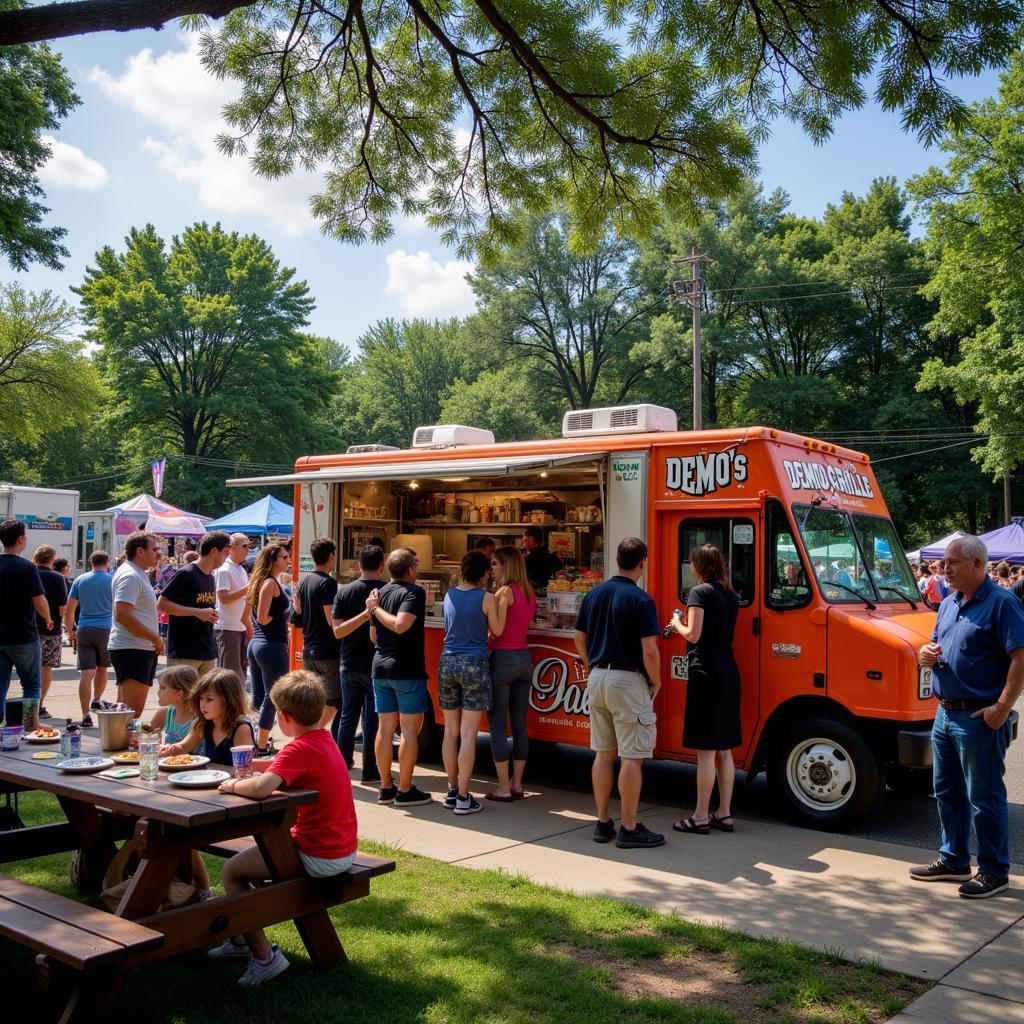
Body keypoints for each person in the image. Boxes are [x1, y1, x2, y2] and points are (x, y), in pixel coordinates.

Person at [212, 670, 358, 987]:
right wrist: (249, 766)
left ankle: (265, 958)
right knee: (256, 856)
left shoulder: (299, 749)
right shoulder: (322, 739)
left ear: (283, 716)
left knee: (232, 872)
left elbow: (263, 788)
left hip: (319, 856)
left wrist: (232, 784)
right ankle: (239, 942)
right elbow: (280, 765)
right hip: (342, 849)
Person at [911, 535, 1024, 899]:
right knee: (946, 791)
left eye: (953, 563)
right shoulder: (949, 602)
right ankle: (954, 858)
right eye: (944, 563)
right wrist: (926, 653)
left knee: (984, 797)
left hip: (978, 718)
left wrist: (1001, 709)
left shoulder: (1002, 603)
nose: (945, 569)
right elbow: (935, 644)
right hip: (945, 714)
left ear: (977, 564)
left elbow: (1020, 659)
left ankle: (994, 871)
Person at [574, 537, 664, 849]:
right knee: (632, 757)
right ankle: (629, 827)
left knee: (602, 753)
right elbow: (650, 651)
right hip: (628, 681)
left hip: (597, 677)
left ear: (617, 560)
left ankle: (602, 822)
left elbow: (578, 637)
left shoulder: (594, 594)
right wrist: (657, 681)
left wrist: (590, 667)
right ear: (643, 562)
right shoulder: (641, 600)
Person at [668, 544, 742, 834]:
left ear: (698, 566)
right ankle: (724, 813)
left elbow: (694, 635)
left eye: (691, 562)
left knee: (705, 753)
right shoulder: (730, 594)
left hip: (706, 673)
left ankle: (699, 815)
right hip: (729, 670)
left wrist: (677, 624)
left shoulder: (698, 593)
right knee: (725, 749)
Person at [365, 547, 433, 807]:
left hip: (380, 667)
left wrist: (375, 608)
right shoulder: (414, 592)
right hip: (407, 669)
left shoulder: (379, 593)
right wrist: (375, 610)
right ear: (411, 570)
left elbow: (374, 637)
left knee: (385, 728)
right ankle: (404, 790)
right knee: (408, 730)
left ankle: (385, 787)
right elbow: (401, 625)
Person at [439, 550, 503, 815]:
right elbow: (497, 630)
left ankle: (452, 789)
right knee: (468, 735)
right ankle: (465, 797)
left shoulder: (449, 594)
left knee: (450, 732)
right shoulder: (486, 597)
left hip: (448, 662)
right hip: (475, 662)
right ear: (485, 573)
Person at [486, 546, 536, 801]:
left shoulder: (504, 592)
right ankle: (517, 783)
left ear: (506, 565)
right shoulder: (529, 592)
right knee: (519, 726)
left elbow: (498, 628)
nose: (492, 568)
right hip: (524, 659)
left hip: (503, 659)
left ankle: (503, 787)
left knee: (497, 724)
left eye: (495, 563)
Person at [332, 544, 384, 784]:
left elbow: (338, 632)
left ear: (358, 565)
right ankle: (370, 770)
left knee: (348, 717)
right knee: (373, 719)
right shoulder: (388, 591)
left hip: (349, 662)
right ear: (382, 566)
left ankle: (342, 766)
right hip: (376, 664)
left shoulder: (344, 592)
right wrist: (366, 615)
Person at [157, 531, 230, 675]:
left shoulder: (210, 577)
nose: (227, 557)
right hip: (185, 652)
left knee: (204, 697)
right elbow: (162, 604)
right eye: (226, 552)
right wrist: (197, 612)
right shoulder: (186, 573)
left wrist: (212, 614)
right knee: (181, 697)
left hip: (207, 650)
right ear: (214, 551)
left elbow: (202, 608)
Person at [0, 519, 50, 724]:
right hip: (24, 636)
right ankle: (30, 724)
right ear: (21, 539)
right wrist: (48, 619)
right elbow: (39, 600)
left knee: (0, 685)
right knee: (30, 684)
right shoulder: (27, 567)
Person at [108, 531, 163, 717]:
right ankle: (121, 744)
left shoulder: (136, 573)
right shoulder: (130, 575)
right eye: (154, 549)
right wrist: (154, 637)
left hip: (137, 648)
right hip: (132, 648)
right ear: (140, 551)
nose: (158, 554)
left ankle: (118, 743)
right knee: (132, 710)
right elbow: (122, 615)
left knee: (126, 709)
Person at [246, 544, 291, 755]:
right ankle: (261, 746)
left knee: (260, 698)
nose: (288, 560)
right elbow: (263, 617)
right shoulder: (269, 584)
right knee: (271, 697)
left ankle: (257, 739)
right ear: (273, 560)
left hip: (260, 645)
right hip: (269, 645)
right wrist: (280, 619)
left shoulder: (267, 582)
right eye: (285, 557)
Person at [294, 537, 342, 733]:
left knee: (314, 699)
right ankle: (313, 732)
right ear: (331, 557)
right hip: (327, 651)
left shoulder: (304, 581)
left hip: (309, 648)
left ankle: (309, 731)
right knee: (334, 700)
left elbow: (297, 613)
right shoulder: (328, 583)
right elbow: (331, 619)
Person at [160, 667, 256, 764]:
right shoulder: (203, 723)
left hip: (235, 778)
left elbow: (245, 767)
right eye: (201, 698)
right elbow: (183, 747)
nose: (202, 705)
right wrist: (170, 749)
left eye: (209, 699)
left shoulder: (241, 729)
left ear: (227, 701)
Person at [65, 549, 114, 726]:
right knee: (102, 668)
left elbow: (70, 609)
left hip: (84, 628)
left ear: (90, 563)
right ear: (107, 563)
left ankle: (86, 715)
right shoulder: (112, 580)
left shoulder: (80, 580)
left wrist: (70, 629)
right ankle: (97, 698)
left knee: (86, 675)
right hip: (106, 629)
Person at [32, 545, 68, 720]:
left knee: (30, 667)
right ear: (52, 560)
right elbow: (62, 608)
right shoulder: (57, 578)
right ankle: (40, 703)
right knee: (47, 667)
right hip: (51, 630)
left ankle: (28, 703)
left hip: (29, 627)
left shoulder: (29, 573)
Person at [215, 533, 253, 678]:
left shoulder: (240, 569)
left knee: (239, 671)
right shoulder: (224, 569)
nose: (248, 549)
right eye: (244, 546)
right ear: (232, 547)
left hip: (239, 627)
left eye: (249, 546)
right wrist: (248, 587)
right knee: (230, 674)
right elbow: (223, 597)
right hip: (228, 628)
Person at [149, 663, 198, 744]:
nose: (158, 692)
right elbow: (144, 738)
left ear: (179, 694)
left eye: (163, 688)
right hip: (169, 757)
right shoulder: (163, 714)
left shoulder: (198, 717)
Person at [521, 526, 558, 590]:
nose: (522, 540)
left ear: (532, 539)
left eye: (524, 536)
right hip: (548, 592)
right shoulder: (552, 557)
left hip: (530, 593)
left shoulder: (526, 558)